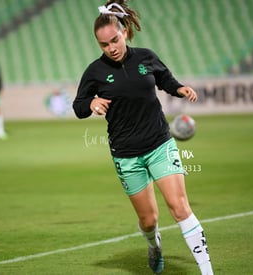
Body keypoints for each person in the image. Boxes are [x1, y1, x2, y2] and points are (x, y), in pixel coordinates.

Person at [73, 1, 213, 274]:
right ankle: (154, 244)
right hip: (126, 154)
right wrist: (91, 104)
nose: (111, 48)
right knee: (149, 220)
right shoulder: (95, 72)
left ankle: (207, 271)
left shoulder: (146, 57)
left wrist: (180, 88)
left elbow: (166, 80)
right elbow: (79, 106)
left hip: (160, 143)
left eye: (114, 40)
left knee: (180, 207)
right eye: (104, 45)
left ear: (124, 32)